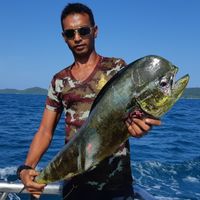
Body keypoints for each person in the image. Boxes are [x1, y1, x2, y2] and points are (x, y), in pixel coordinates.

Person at [17, 3, 161, 200]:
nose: (77, 38)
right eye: (70, 33)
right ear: (64, 38)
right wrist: (27, 168)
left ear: (95, 31)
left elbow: (136, 115)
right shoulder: (59, 81)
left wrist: (142, 127)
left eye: (83, 31)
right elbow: (45, 131)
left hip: (116, 186)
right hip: (75, 185)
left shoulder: (117, 68)